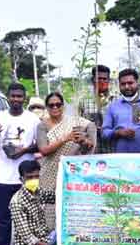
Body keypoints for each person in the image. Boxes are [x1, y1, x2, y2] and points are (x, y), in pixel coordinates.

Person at [0, 82, 41, 245]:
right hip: (3, 176)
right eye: (13, 96)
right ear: (8, 97)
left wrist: (23, 150)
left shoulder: (32, 119)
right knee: (3, 216)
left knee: (30, 214)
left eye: (19, 96)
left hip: (27, 177)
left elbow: (40, 144)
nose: (16, 99)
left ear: (24, 98)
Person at [10, 160, 75, 245]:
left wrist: (71, 189)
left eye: (36, 176)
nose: (33, 180)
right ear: (21, 179)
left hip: (44, 238)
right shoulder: (17, 203)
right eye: (29, 177)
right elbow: (29, 239)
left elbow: (54, 196)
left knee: (68, 227)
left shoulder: (38, 191)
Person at [37, 92, 96, 228]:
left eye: (58, 104)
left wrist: (84, 141)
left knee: (71, 206)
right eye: (51, 105)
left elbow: (89, 144)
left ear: (63, 106)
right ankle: (51, 243)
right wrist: (65, 138)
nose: (55, 107)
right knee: (50, 209)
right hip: (49, 174)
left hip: (71, 173)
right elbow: (43, 150)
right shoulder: (42, 126)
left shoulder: (76, 122)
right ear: (47, 107)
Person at [101, 68, 140, 153]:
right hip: (120, 159)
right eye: (123, 84)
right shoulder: (112, 107)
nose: (127, 87)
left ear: (137, 84)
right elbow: (104, 133)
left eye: (130, 83)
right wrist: (118, 133)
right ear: (119, 85)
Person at [79, 64, 115, 154]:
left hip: (113, 150)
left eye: (104, 79)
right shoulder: (83, 101)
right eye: (98, 78)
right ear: (92, 80)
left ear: (109, 80)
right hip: (91, 151)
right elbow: (78, 125)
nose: (102, 81)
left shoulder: (116, 100)